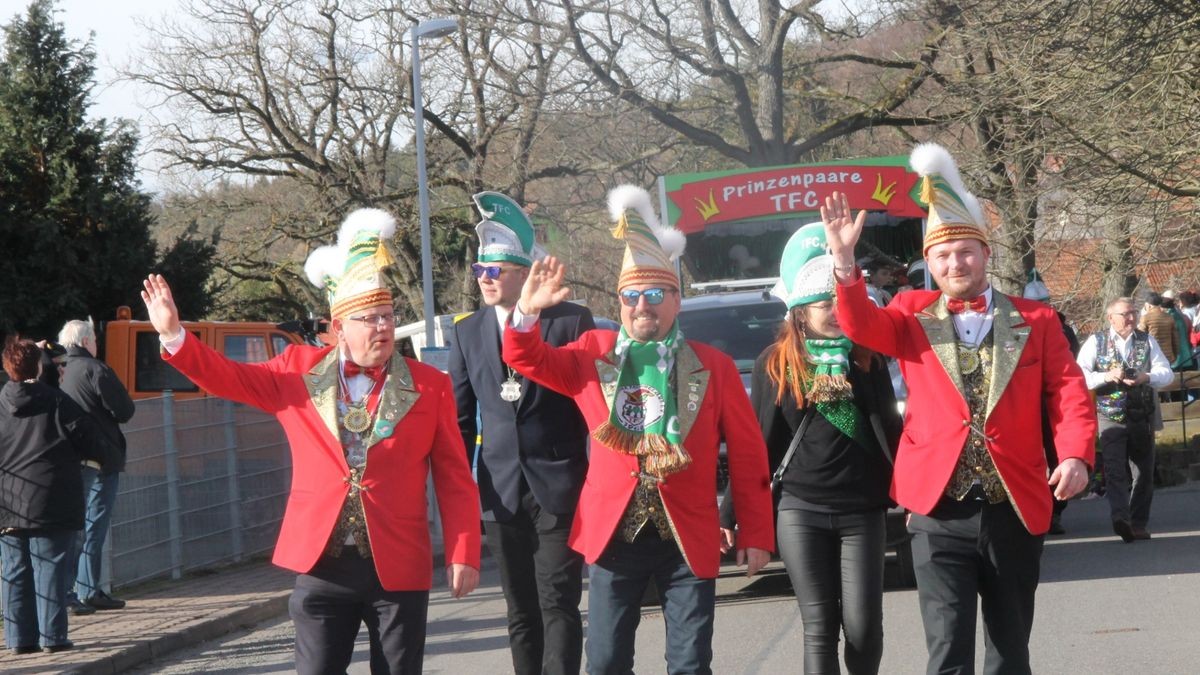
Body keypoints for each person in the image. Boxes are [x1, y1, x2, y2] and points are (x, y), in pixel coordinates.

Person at [139, 207, 481, 675]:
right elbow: (229, 377)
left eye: (388, 316)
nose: (384, 327)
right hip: (323, 565)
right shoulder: (297, 371)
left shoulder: (429, 385)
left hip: (398, 565)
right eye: (370, 318)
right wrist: (174, 334)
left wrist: (464, 552)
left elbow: (455, 479)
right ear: (340, 327)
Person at [821, 143, 1096, 675]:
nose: (955, 263)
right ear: (929, 264)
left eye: (965, 251)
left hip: (1013, 502)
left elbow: (1068, 391)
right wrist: (845, 264)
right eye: (943, 256)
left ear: (986, 254)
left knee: (1011, 649)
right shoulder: (909, 313)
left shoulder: (1036, 320)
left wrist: (1077, 455)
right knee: (946, 650)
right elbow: (859, 327)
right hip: (937, 508)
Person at [503, 185, 775, 675]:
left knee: (690, 664)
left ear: (676, 299)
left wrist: (754, 530)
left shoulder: (712, 366)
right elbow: (524, 358)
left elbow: (749, 454)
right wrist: (527, 314)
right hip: (614, 538)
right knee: (605, 662)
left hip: (687, 535)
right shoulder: (593, 353)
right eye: (632, 296)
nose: (642, 306)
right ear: (621, 300)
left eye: (655, 295)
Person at [720, 223, 901, 675]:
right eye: (825, 304)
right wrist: (731, 512)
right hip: (800, 510)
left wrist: (912, 490)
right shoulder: (774, 363)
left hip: (863, 508)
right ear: (800, 312)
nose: (836, 312)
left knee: (864, 627)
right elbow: (759, 441)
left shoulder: (867, 357)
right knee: (818, 626)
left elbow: (890, 429)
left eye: (840, 303)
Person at [448, 192, 594, 675]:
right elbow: (462, 420)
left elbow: (591, 405)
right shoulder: (466, 331)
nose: (486, 279)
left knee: (558, 601)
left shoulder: (569, 319)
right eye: (480, 271)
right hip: (500, 491)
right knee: (520, 609)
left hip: (558, 481)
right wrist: (460, 492)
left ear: (524, 273)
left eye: (496, 270)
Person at [0, 338, 116, 654]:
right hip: (52, 497)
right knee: (50, 566)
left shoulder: (1, 402)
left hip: (8, 500)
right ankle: (53, 637)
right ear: (40, 366)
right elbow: (90, 439)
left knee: (13, 570)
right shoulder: (56, 401)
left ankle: (19, 640)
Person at [1075, 298, 1172, 542]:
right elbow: (1079, 375)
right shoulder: (1095, 342)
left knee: (1143, 472)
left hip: (1142, 415)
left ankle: (1138, 522)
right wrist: (1106, 375)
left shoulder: (1146, 340)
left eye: (1133, 313)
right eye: (1125, 314)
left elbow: (1167, 374)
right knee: (1115, 469)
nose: (1130, 318)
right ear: (1111, 318)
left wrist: (1145, 376)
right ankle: (1121, 519)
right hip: (1110, 415)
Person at [56, 319, 136, 614]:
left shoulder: (60, 372)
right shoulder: (95, 369)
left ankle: (71, 591)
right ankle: (87, 589)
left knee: (75, 525)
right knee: (94, 524)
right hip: (101, 457)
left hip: (68, 458)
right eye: (95, 340)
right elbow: (124, 410)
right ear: (87, 341)